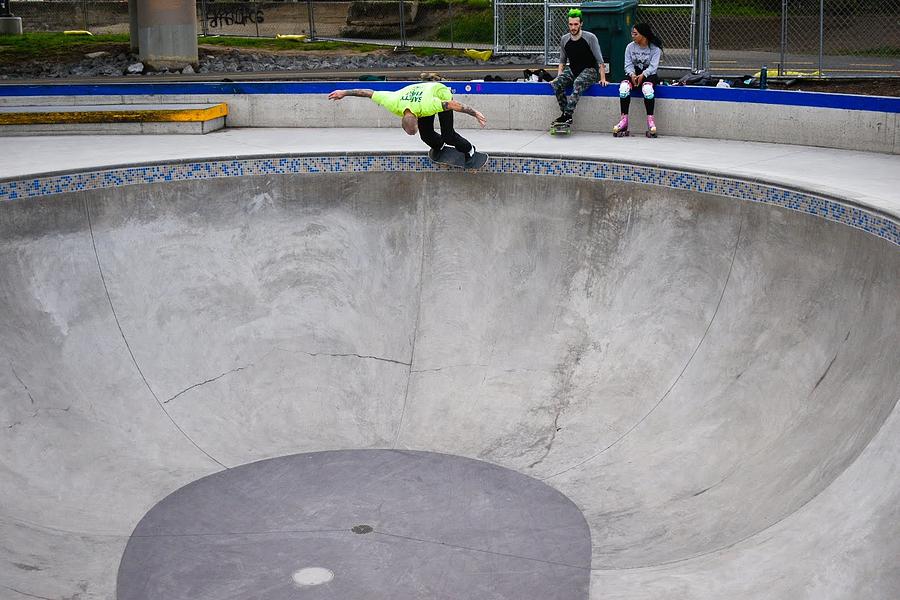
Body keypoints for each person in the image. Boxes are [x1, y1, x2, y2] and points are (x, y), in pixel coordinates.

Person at [327, 81, 487, 166]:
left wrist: (475, 113)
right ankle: (439, 147)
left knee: (448, 135)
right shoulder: (392, 102)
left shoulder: (427, 106)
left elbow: (453, 105)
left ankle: (470, 150)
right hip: (418, 96)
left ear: (417, 119)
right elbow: (368, 93)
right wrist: (344, 93)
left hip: (439, 93)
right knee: (426, 136)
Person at [551, 8, 608, 127]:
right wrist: (559, 77)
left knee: (577, 83)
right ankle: (565, 115)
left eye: (576, 24)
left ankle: (567, 115)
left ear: (581, 24)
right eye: (571, 24)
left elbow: (600, 60)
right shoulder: (564, 39)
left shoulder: (590, 37)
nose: (573, 27)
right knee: (556, 84)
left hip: (589, 70)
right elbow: (562, 61)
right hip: (573, 69)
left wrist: (602, 78)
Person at [613, 23, 663, 137]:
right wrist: (632, 75)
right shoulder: (630, 47)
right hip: (634, 74)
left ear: (643, 35)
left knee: (647, 89)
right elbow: (628, 65)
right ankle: (624, 120)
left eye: (635, 34)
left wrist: (643, 75)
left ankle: (650, 121)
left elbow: (653, 67)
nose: (632, 36)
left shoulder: (655, 49)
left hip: (649, 74)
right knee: (624, 88)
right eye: (632, 33)